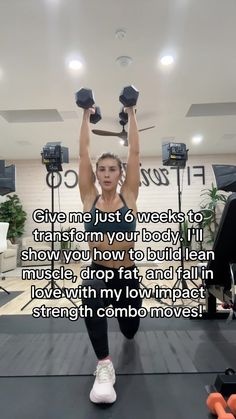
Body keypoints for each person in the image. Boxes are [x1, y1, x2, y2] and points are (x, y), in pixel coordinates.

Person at [78, 105, 142, 404]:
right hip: (100, 270)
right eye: (101, 169)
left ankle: (122, 314)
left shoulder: (129, 195)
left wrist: (131, 112)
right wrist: (85, 116)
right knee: (89, 288)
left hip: (128, 274)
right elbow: (82, 155)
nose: (106, 173)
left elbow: (135, 156)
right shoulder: (89, 197)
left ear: (120, 174)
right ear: (96, 173)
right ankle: (104, 365)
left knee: (129, 331)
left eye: (111, 169)